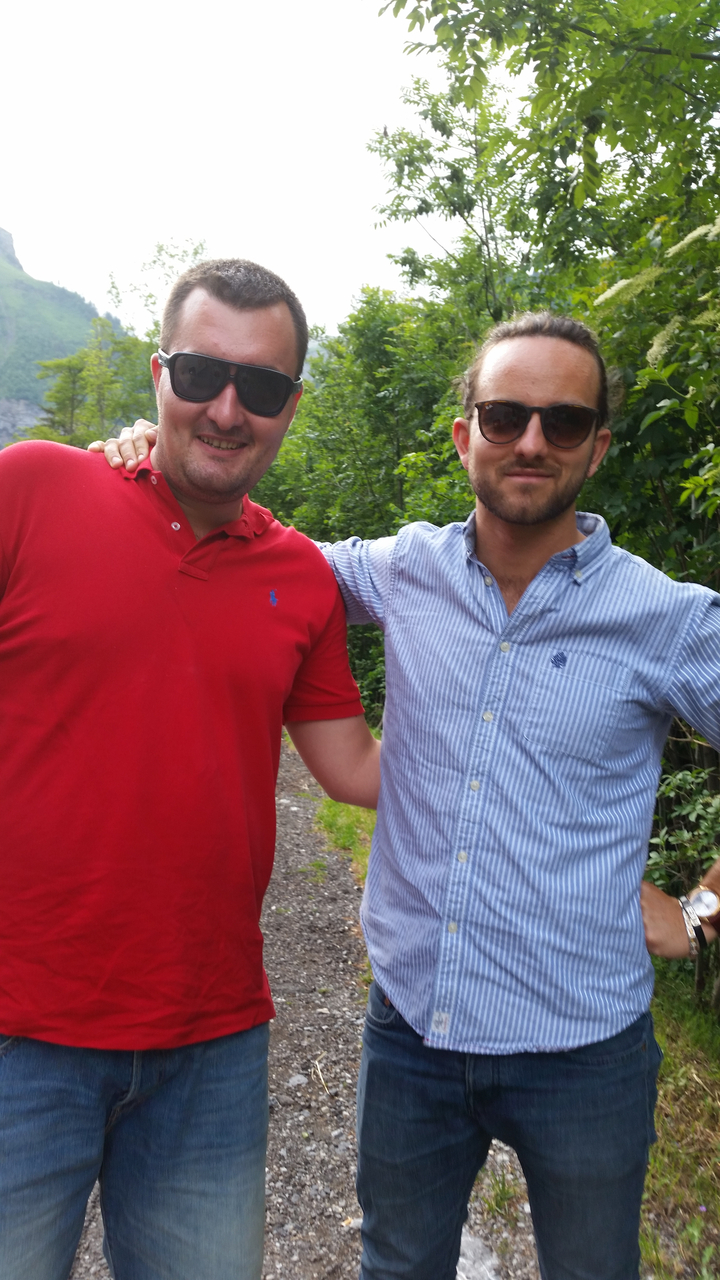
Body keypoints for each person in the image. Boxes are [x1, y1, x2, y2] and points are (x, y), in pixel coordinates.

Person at [97, 311, 720, 1280]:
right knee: (397, 1262)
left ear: (597, 446)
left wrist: (704, 909)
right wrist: (148, 464)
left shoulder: (665, 619)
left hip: (585, 1045)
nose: (530, 441)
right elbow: (257, 550)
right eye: (507, 413)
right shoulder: (401, 569)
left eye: (562, 422)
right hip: (411, 1028)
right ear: (465, 430)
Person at [0, 258, 381, 1280]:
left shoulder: (299, 575)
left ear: (291, 405)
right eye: (203, 373)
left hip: (210, 1043)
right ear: (158, 371)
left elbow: (356, 768)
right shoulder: (32, 485)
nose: (226, 408)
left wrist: (546, 769)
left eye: (260, 387)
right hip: (16, 1028)